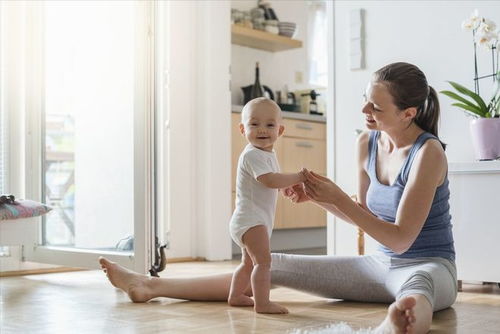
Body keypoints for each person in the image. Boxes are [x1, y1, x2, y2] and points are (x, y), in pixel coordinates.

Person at [99, 62, 456, 334]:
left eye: (375, 108)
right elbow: (365, 216)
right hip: (378, 267)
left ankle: (403, 321)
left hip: (428, 265)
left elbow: (401, 238)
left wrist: (338, 200)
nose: (365, 112)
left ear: (408, 113)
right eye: (365, 101)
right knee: (267, 262)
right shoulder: (367, 142)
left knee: (417, 288)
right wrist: (319, 197)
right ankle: (148, 286)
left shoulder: (428, 154)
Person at [228, 97, 305, 314]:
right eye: (254, 124)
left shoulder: (267, 154)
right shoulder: (252, 154)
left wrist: (285, 188)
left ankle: (235, 295)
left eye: (269, 125)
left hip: (250, 219)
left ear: (280, 130)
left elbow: (273, 180)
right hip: (251, 220)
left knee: (248, 263)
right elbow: (270, 180)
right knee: (263, 262)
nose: (262, 130)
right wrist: (298, 177)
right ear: (243, 129)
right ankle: (262, 303)